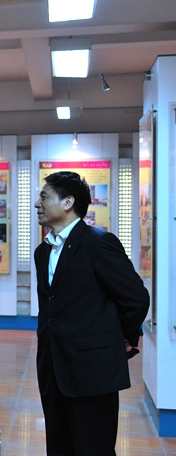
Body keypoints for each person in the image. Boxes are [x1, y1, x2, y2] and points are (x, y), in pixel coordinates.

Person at [34, 171, 149, 456]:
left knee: (93, 448)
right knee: (58, 448)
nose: (37, 204)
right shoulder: (42, 252)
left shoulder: (99, 243)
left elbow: (135, 298)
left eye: (44, 197)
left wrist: (122, 338)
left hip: (93, 372)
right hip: (53, 369)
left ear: (68, 202)